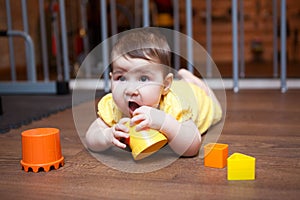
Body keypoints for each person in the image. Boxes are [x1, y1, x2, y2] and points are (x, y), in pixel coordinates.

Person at [86, 28, 222, 157]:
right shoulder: (112, 106)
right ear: (111, 79)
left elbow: (192, 147)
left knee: (215, 107)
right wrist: (107, 135)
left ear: (165, 84)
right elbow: (91, 136)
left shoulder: (173, 105)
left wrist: (165, 123)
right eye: (121, 78)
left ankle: (197, 83)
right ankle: (186, 79)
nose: (130, 90)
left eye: (143, 79)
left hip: (197, 98)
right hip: (172, 85)